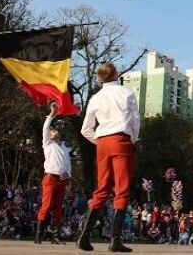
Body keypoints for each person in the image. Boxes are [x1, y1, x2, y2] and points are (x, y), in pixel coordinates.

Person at [78, 63, 140, 253]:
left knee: (102, 188)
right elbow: (135, 120)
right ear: (117, 74)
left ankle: (84, 235)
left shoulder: (96, 98)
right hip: (121, 140)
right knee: (121, 189)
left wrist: (100, 142)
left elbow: (85, 129)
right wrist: (133, 140)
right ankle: (115, 240)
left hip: (102, 142)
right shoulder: (127, 93)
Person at [35, 102, 71, 245]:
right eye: (52, 130)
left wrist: (68, 173)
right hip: (50, 178)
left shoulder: (65, 148)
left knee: (58, 208)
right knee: (46, 205)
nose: (53, 130)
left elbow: (68, 165)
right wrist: (52, 114)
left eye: (55, 130)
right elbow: (45, 128)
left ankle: (54, 236)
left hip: (62, 180)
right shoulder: (48, 143)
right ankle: (39, 235)